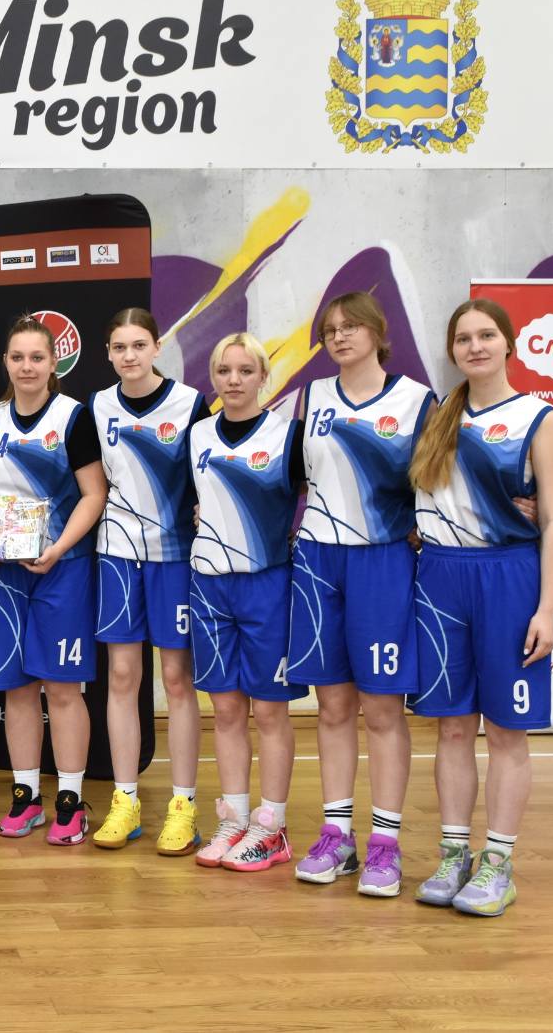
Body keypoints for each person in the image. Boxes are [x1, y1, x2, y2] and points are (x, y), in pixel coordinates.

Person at [409, 298, 553, 916]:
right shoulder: (437, 417)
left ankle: (498, 862)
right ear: (452, 351)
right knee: (451, 726)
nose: (474, 346)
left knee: (505, 729)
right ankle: (455, 854)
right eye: (463, 338)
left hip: (509, 577)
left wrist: (547, 609)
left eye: (486, 335)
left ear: (509, 344)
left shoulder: (539, 418)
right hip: (441, 578)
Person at [289, 294, 434, 897]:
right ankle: (337, 835)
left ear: (378, 332)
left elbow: (443, 482)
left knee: (382, 709)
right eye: (330, 330)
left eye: (351, 327)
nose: (340, 337)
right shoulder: (312, 396)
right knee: (331, 707)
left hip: (383, 559)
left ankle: (386, 843)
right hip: (319, 561)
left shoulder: (416, 401)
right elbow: (287, 476)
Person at [0, 314, 107, 846]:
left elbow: (94, 493)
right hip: (3, 573)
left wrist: (59, 548)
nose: (27, 367)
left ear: (54, 363)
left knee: (64, 689)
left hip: (61, 568)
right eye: (18, 357)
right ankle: (25, 797)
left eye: (37, 357)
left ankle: (70, 801)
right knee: (17, 689)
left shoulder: (73, 417)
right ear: (6, 362)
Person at [89, 309, 207, 854]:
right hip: (117, 554)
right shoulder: (98, 406)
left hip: (174, 556)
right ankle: (126, 799)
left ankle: (183, 804)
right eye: (119, 347)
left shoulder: (190, 404)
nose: (129, 355)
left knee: (178, 680)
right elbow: (92, 484)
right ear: (108, 354)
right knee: (121, 675)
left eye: (139, 345)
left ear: (157, 347)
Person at [189, 332, 307, 872]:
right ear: (212, 377)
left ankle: (272, 826)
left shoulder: (289, 436)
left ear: (263, 376)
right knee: (226, 709)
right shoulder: (196, 435)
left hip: (267, 586)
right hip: (209, 586)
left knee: (270, 710)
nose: (233, 380)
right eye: (223, 370)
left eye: (244, 370)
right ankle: (235, 819)